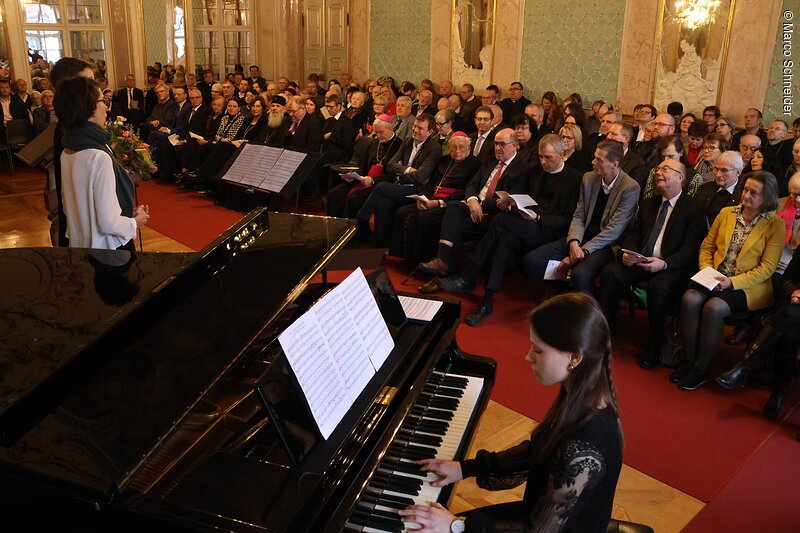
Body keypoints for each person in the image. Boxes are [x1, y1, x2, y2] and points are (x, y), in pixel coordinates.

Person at [399, 292, 623, 532]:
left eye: (538, 351)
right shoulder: (588, 394)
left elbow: (537, 530)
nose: (528, 357)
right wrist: (465, 468)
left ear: (574, 358)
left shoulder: (582, 449)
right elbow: (541, 452)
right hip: (538, 516)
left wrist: (457, 526)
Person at [673, 171, 784, 391]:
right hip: (715, 276)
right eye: (745, 189)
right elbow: (707, 246)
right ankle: (689, 359)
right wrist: (706, 268)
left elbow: (767, 269)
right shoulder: (727, 213)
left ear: (767, 197)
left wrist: (731, 283)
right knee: (690, 299)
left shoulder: (775, 225)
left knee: (714, 308)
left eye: (754, 193)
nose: (747, 195)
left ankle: (701, 368)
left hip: (747, 286)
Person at [55, 76, 149, 250]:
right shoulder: (98, 157)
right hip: (107, 249)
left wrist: (127, 213)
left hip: (81, 242)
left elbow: (70, 205)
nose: (106, 106)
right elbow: (108, 223)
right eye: (102, 100)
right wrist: (135, 222)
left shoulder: (67, 150)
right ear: (89, 108)